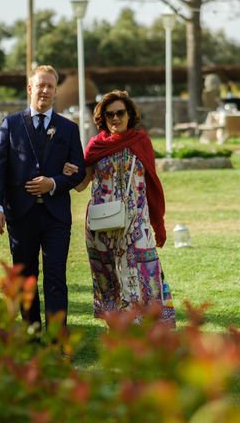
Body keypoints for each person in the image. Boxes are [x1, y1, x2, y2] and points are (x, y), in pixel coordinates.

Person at [64, 90, 175, 327]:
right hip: (101, 225)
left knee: (141, 273)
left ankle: (147, 328)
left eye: (119, 113)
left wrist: (158, 223)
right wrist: (68, 174)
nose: (115, 118)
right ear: (102, 118)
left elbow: (152, 183)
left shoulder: (141, 142)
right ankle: (117, 329)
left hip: (136, 223)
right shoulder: (96, 146)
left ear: (129, 114)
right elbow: (82, 185)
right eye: (109, 114)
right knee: (108, 277)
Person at [0, 65, 85, 334]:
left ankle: (57, 340)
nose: (45, 90)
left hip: (56, 217)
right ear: (30, 89)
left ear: (55, 91)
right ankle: (32, 335)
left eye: (50, 86)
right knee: (25, 279)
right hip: (21, 215)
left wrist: (53, 182)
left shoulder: (68, 128)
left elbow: (79, 170)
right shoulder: (11, 124)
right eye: (40, 85)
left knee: (56, 278)